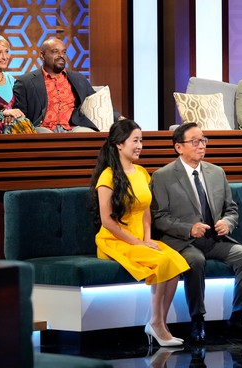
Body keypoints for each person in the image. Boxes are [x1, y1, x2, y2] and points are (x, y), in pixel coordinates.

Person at [150, 122, 242, 343]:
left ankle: (238, 318)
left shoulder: (216, 172)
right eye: (195, 141)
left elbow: (231, 209)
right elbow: (159, 218)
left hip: (214, 239)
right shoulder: (162, 176)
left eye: (203, 140)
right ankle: (197, 319)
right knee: (195, 262)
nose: (201, 145)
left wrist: (227, 222)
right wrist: (188, 228)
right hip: (183, 242)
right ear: (179, 147)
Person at [89, 119, 190, 347]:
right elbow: (107, 221)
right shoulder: (107, 177)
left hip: (140, 238)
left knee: (177, 261)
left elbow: (146, 212)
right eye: (135, 140)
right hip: (115, 239)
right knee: (163, 261)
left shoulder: (142, 172)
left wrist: (146, 239)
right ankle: (156, 323)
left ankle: (159, 322)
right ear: (119, 144)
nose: (140, 145)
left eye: (141, 140)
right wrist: (137, 243)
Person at [13, 36, 122, 133]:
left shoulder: (78, 79)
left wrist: (119, 118)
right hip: (43, 128)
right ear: (42, 56)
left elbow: (98, 100)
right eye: (55, 51)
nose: (61, 56)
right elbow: (20, 114)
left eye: (64, 52)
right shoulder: (25, 82)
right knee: (44, 135)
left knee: (87, 135)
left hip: (73, 127)